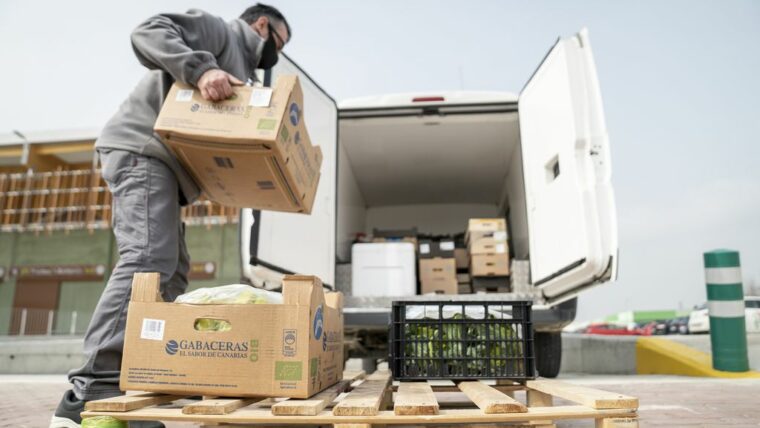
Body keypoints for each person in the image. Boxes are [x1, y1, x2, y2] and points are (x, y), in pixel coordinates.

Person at [50, 4, 291, 427]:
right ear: (262, 25)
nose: (276, 52)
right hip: (142, 150)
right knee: (147, 260)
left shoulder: (245, 73)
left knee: (174, 273)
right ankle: (91, 389)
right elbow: (149, 30)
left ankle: (139, 383)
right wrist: (200, 69)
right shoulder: (220, 32)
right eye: (279, 42)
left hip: (167, 171)